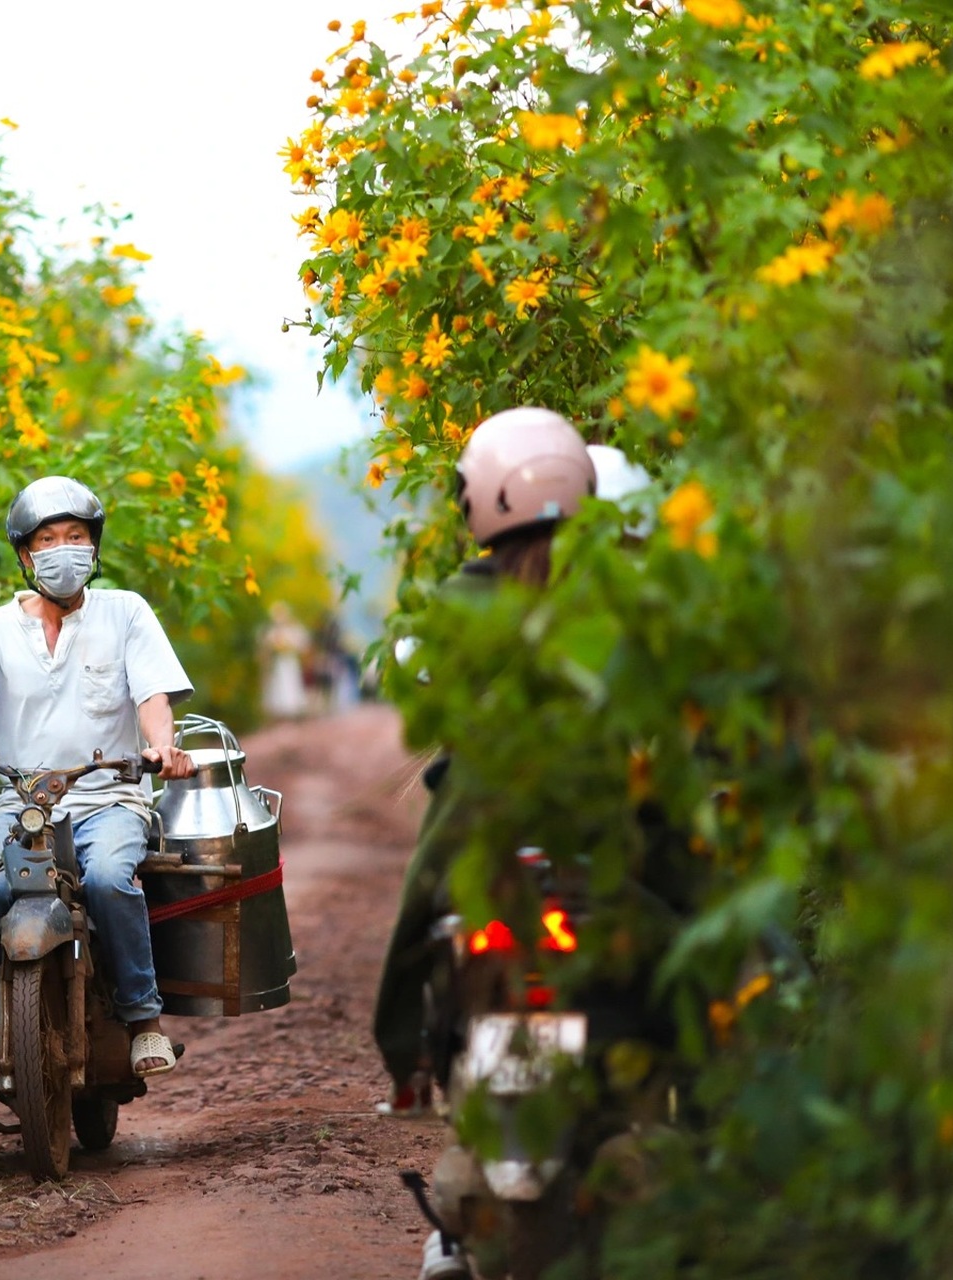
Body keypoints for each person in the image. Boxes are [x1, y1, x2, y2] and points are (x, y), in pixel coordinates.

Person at [371, 408, 597, 1279]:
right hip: (600, 831)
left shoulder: (461, 597)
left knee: (424, 906)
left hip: (489, 825)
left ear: (481, 504)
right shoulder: (614, 591)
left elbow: (422, 701)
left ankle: (406, 1060)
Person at [0, 475, 198, 1095]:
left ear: (93, 550)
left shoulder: (126, 613)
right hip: (20, 806)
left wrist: (161, 747)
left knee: (107, 881)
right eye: (48, 539)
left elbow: (152, 696)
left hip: (111, 800)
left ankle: (143, 1018)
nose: (63, 549)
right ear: (25, 555)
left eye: (76, 536)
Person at [259, 601, 311, 720]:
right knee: (280, 683)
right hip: (279, 662)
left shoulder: (292, 630)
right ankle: (281, 710)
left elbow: (302, 644)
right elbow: (266, 645)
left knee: (291, 681)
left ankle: (292, 708)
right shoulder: (272, 632)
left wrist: (288, 647)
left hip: (289, 661)